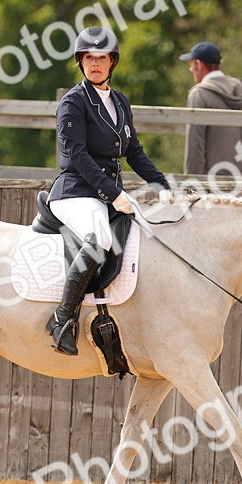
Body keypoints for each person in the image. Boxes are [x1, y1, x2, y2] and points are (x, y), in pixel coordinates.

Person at [46, 25, 172, 356]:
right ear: (81, 62)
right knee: (100, 240)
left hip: (105, 194)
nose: (95, 64)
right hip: (75, 192)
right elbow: (78, 156)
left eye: (102, 58)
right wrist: (114, 194)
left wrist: (162, 185)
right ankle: (62, 320)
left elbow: (133, 152)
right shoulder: (73, 102)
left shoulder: (119, 101)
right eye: (89, 58)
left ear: (112, 62)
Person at [179, 41, 242, 175]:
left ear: (199, 64)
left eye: (191, 64)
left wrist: (191, 181)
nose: (190, 69)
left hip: (213, 181)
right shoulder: (240, 87)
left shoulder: (199, 93)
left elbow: (196, 144)